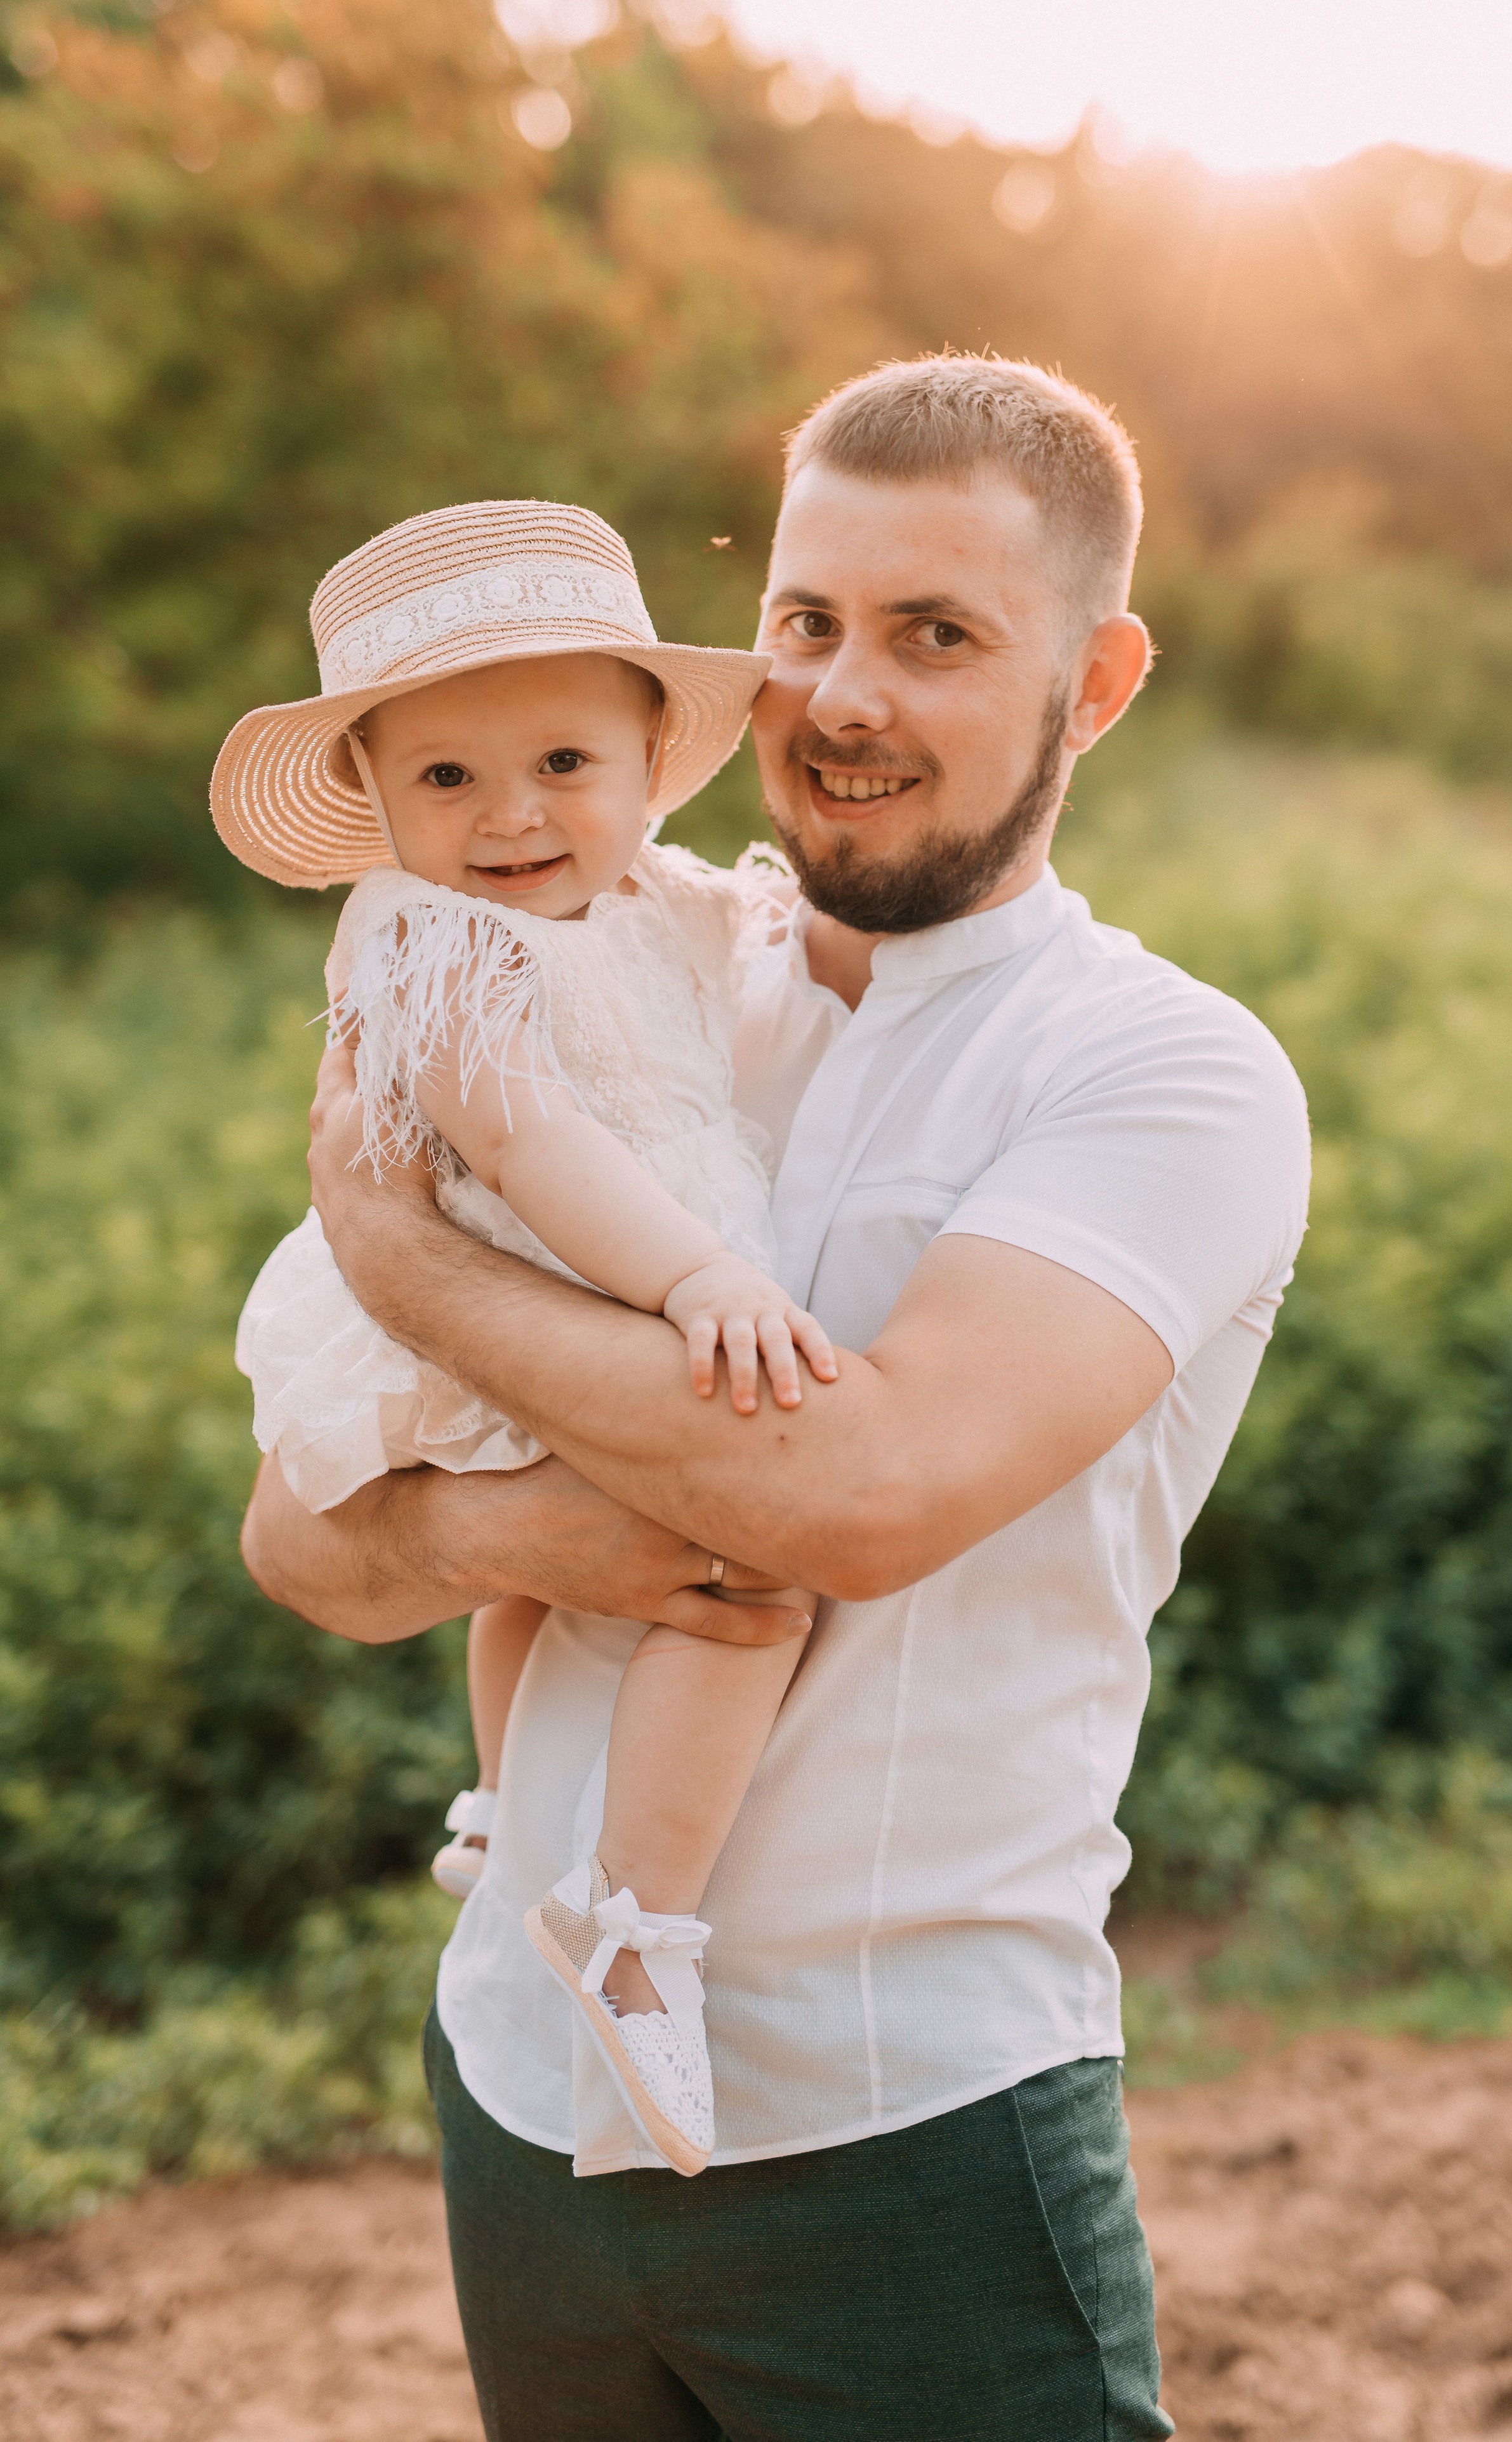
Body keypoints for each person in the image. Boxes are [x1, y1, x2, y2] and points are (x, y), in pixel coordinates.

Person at [242, 355, 1311, 2442]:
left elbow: (864, 1498)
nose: (844, 695)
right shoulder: (596, 957)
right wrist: (525, 1526)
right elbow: (305, 1540)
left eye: (937, 637)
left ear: (1092, 685)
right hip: (519, 2098)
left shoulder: (1160, 1074)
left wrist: (405, 1262)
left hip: (901, 2121)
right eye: (810, 623)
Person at [214, 499, 837, 2179]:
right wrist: (697, 1278)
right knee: (743, 1593)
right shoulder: (424, 938)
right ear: (378, 804)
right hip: (549, 1284)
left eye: (563, 760)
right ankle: (639, 1921)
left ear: (651, 759)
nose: (510, 818)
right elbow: (528, 1145)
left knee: (538, 1582)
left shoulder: (654, 897)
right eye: (445, 781)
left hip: (590, 1280)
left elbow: (742, 937)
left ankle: (501, 1813)